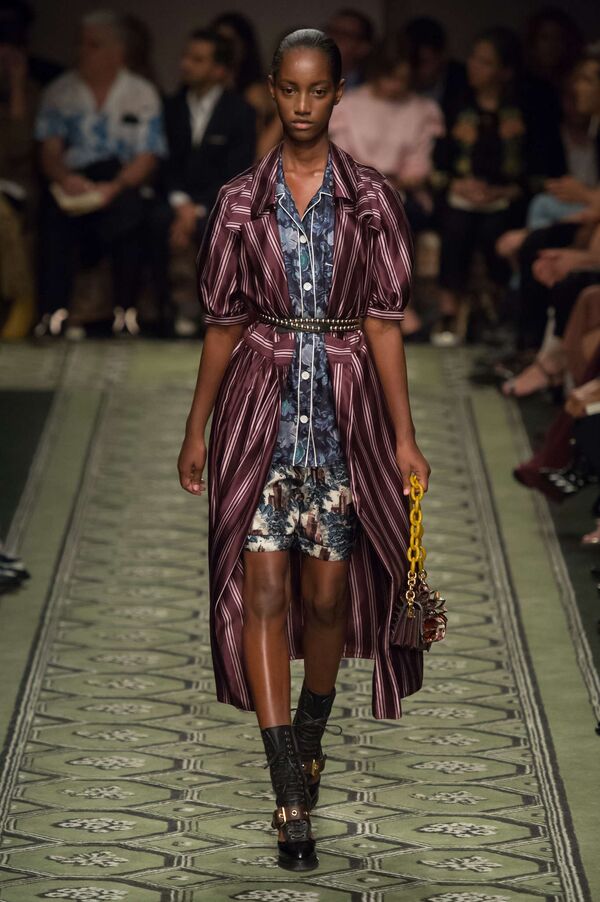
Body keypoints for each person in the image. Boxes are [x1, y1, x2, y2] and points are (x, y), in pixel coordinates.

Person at [177, 28, 430, 871]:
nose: (301, 104)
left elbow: (384, 324)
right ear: (272, 88)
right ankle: (288, 789)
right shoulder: (238, 202)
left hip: (343, 420)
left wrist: (404, 437)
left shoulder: (373, 200)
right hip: (260, 413)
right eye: (289, 88)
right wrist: (196, 427)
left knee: (326, 600)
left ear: (337, 93)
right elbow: (223, 324)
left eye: (317, 90)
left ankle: (311, 734)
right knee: (264, 592)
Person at [34, 10, 165, 339]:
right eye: (80, 44)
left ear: (117, 52)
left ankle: (125, 312)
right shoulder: (59, 91)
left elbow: (147, 155)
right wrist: (65, 178)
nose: (82, 51)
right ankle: (54, 313)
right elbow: (49, 150)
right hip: (74, 179)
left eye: (93, 45)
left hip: (120, 180)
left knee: (133, 214)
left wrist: (113, 187)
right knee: (52, 214)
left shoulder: (141, 93)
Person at [430, 27, 558, 346]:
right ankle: (448, 312)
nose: (474, 67)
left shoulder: (526, 111)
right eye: (474, 59)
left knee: (495, 229)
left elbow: (542, 169)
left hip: (507, 197)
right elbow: (437, 163)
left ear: (505, 71)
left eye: (486, 62)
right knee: (455, 225)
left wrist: (506, 191)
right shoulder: (456, 105)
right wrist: (457, 185)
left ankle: (495, 310)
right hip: (461, 194)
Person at [150, 28, 256, 335]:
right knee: (154, 219)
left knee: (215, 223)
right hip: (173, 199)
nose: (185, 64)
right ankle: (162, 310)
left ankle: (214, 310)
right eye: (186, 56)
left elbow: (237, 172)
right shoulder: (170, 107)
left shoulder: (240, 111)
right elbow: (164, 162)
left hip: (217, 200)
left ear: (219, 69)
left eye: (197, 60)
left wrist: (196, 209)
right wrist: (181, 203)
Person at [402, 15, 467, 127]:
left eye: (423, 62)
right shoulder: (395, 82)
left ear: (443, 55)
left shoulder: (463, 82)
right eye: (411, 62)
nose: (415, 70)